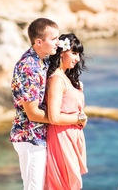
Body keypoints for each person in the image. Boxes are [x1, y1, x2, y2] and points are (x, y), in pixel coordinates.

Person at [10, 18, 59, 190]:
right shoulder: (28, 67)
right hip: (29, 138)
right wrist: (65, 119)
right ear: (39, 42)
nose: (58, 43)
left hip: (39, 137)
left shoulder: (42, 60)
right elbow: (33, 114)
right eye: (54, 39)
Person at [44, 33, 88, 190]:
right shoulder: (57, 79)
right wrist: (79, 118)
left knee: (70, 183)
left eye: (79, 54)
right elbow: (54, 117)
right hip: (61, 136)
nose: (77, 59)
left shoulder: (68, 78)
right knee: (63, 184)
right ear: (62, 52)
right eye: (74, 53)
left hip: (71, 136)